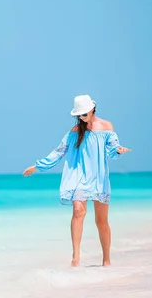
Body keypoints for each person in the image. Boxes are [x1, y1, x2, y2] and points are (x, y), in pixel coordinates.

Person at [23, 95, 131, 267]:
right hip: (79, 177)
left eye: (84, 113)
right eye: (79, 115)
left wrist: (119, 150)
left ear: (92, 109)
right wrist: (37, 166)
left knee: (101, 220)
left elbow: (112, 149)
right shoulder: (75, 131)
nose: (81, 117)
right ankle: (75, 258)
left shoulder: (106, 126)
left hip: (98, 178)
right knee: (78, 211)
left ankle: (106, 260)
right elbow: (58, 152)